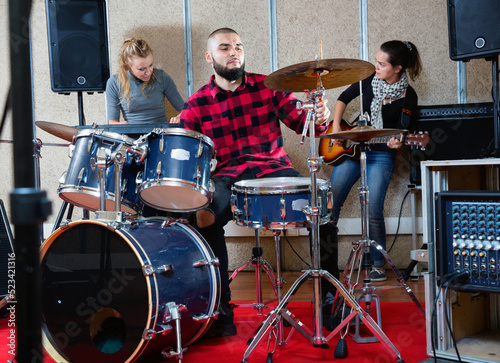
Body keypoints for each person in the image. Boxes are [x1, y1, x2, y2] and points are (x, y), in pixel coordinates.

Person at [178, 28, 336, 337]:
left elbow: (302, 122)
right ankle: (220, 308)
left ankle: (329, 299)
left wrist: (320, 116)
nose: (234, 51)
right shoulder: (196, 104)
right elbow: (186, 153)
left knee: (322, 208)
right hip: (226, 177)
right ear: (210, 57)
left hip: (272, 170)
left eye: (238, 46)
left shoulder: (269, 86)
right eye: (225, 47)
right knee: (202, 215)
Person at [329, 40, 422, 282]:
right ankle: (324, 263)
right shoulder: (369, 79)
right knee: (330, 203)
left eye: (382, 64)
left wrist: (397, 142)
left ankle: (377, 263)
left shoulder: (409, 97)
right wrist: (337, 128)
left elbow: (403, 132)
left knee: (372, 210)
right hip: (352, 149)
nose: (376, 66)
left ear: (398, 68)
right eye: (376, 61)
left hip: (381, 154)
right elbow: (342, 98)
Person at [106, 37, 184, 124]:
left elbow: (185, 111)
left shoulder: (162, 77)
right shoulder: (114, 83)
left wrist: (179, 118)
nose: (148, 73)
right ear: (127, 65)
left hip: (161, 134)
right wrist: (121, 125)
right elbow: (112, 123)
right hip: (131, 135)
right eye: (142, 69)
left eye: (150, 65)